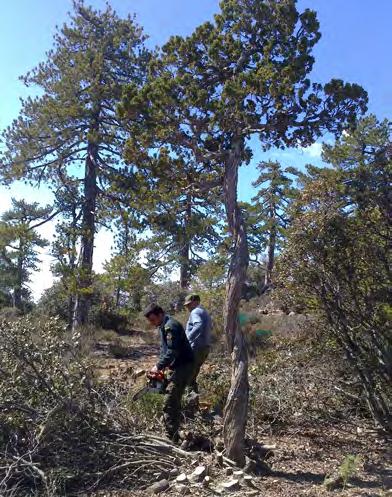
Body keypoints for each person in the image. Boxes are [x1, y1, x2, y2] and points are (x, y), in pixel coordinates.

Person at [143, 303, 194, 442]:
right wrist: (162, 367)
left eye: (153, 319)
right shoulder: (163, 326)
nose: (152, 323)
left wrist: (159, 366)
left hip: (183, 366)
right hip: (176, 366)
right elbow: (165, 350)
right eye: (150, 321)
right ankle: (174, 432)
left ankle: (171, 438)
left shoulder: (170, 326)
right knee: (173, 399)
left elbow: (173, 351)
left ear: (160, 314)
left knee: (170, 401)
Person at [184, 294, 212, 394]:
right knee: (192, 377)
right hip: (204, 348)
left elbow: (198, 325)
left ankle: (187, 403)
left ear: (196, 302)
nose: (187, 307)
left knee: (186, 377)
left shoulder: (195, 312)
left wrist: (186, 340)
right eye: (186, 305)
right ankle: (193, 402)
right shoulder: (204, 312)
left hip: (195, 348)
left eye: (189, 304)